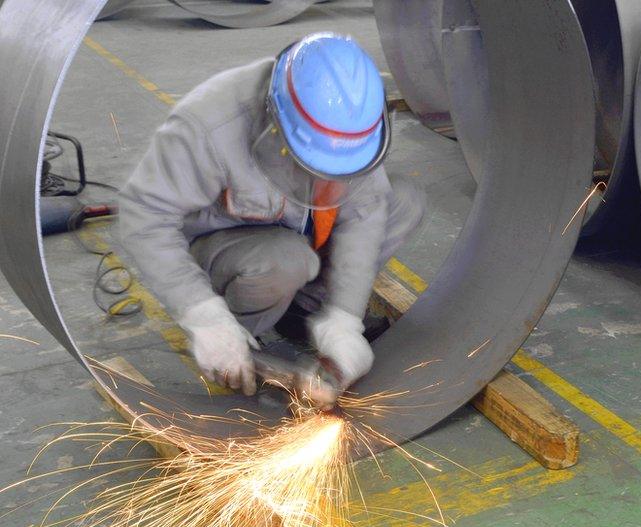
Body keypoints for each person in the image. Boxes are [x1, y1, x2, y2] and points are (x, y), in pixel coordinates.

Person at [118, 33, 425, 406]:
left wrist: (345, 317)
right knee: (286, 259)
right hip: (231, 252)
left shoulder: (353, 128)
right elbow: (143, 214)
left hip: (305, 231)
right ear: (277, 124)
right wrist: (201, 313)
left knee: (402, 202)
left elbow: (365, 215)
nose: (330, 181)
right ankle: (239, 339)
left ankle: (307, 313)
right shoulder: (210, 124)